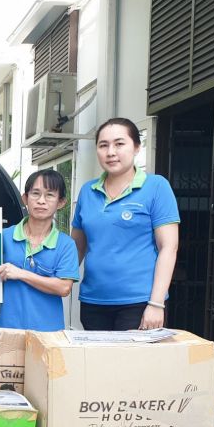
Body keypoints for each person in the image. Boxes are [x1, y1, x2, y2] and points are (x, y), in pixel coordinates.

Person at [71, 117, 179, 331]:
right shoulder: (87, 191)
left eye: (119, 144)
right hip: (93, 302)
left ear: (137, 147)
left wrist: (156, 304)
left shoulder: (156, 187)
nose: (111, 152)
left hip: (139, 302)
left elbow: (168, 247)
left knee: (132, 365)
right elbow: (77, 248)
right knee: (96, 364)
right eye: (103, 145)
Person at [0, 170, 79, 331]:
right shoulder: (3, 236)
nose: (41, 201)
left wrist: (20, 273)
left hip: (48, 334)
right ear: (25, 198)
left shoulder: (65, 244)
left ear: (61, 202)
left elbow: (63, 288)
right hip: (6, 330)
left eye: (50, 195)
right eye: (35, 194)